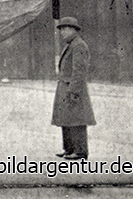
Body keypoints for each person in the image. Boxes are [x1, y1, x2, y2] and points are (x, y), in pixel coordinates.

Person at [51, 17, 95, 160]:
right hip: (66, 86)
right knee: (66, 119)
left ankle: (80, 151)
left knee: (77, 120)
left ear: (73, 30)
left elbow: (79, 71)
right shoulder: (71, 45)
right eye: (61, 29)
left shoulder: (78, 46)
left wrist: (73, 90)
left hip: (73, 87)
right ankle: (69, 149)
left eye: (64, 29)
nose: (62, 32)